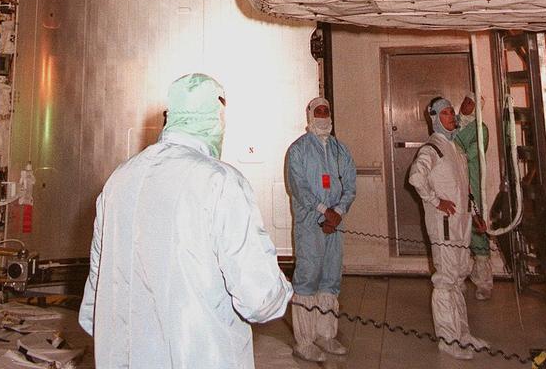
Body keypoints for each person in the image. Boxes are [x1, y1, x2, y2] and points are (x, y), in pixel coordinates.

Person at [79, 73, 292, 368]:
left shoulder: (120, 179)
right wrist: (285, 291)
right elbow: (260, 299)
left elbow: (95, 295)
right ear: (214, 119)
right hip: (201, 354)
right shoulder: (220, 182)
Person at [408, 97, 489, 360]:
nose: (452, 116)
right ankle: (447, 339)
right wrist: (435, 201)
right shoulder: (432, 149)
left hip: (462, 223)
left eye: (452, 112)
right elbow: (416, 178)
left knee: (458, 278)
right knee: (445, 280)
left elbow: (465, 188)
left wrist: (475, 215)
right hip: (444, 224)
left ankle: (462, 334)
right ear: (433, 118)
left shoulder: (456, 149)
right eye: (445, 113)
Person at [286, 97, 357, 362]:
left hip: (335, 223)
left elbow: (350, 183)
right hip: (310, 224)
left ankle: (326, 334)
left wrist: (338, 211)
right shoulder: (298, 150)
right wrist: (323, 210)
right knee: (308, 277)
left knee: (330, 277)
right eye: (319, 111)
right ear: (309, 115)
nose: (324, 115)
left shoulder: (340, 149)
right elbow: (299, 187)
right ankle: (304, 341)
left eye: (326, 111)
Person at [455, 93, 493, 300]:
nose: (465, 105)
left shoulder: (481, 130)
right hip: (453, 182)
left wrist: (452, 150)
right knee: (457, 229)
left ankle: (483, 282)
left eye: (470, 103)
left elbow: (470, 154)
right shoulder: (453, 123)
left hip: (472, 181)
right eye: (464, 101)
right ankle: (458, 279)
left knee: (477, 227)